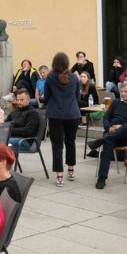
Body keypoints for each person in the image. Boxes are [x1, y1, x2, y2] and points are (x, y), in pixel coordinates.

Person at [86, 81, 127, 188]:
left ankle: (100, 141)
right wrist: (109, 127)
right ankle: (102, 178)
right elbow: (106, 118)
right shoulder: (116, 103)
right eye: (122, 91)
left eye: (126, 91)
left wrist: (121, 128)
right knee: (108, 143)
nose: (123, 94)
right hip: (112, 134)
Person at [42, 52, 83, 185]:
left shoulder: (50, 78)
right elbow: (77, 98)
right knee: (71, 142)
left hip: (55, 114)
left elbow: (46, 98)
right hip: (72, 114)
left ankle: (59, 175)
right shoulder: (74, 78)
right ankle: (71, 170)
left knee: (57, 145)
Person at [4, 88, 41, 156]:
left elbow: (27, 131)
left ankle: (0, 164)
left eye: (22, 100)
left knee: (4, 142)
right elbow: (5, 125)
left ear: (28, 100)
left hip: (24, 141)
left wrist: (10, 130)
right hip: (11, 137)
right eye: (17, 100)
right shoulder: (14, 112)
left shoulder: (33, 113)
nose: (19, 102)